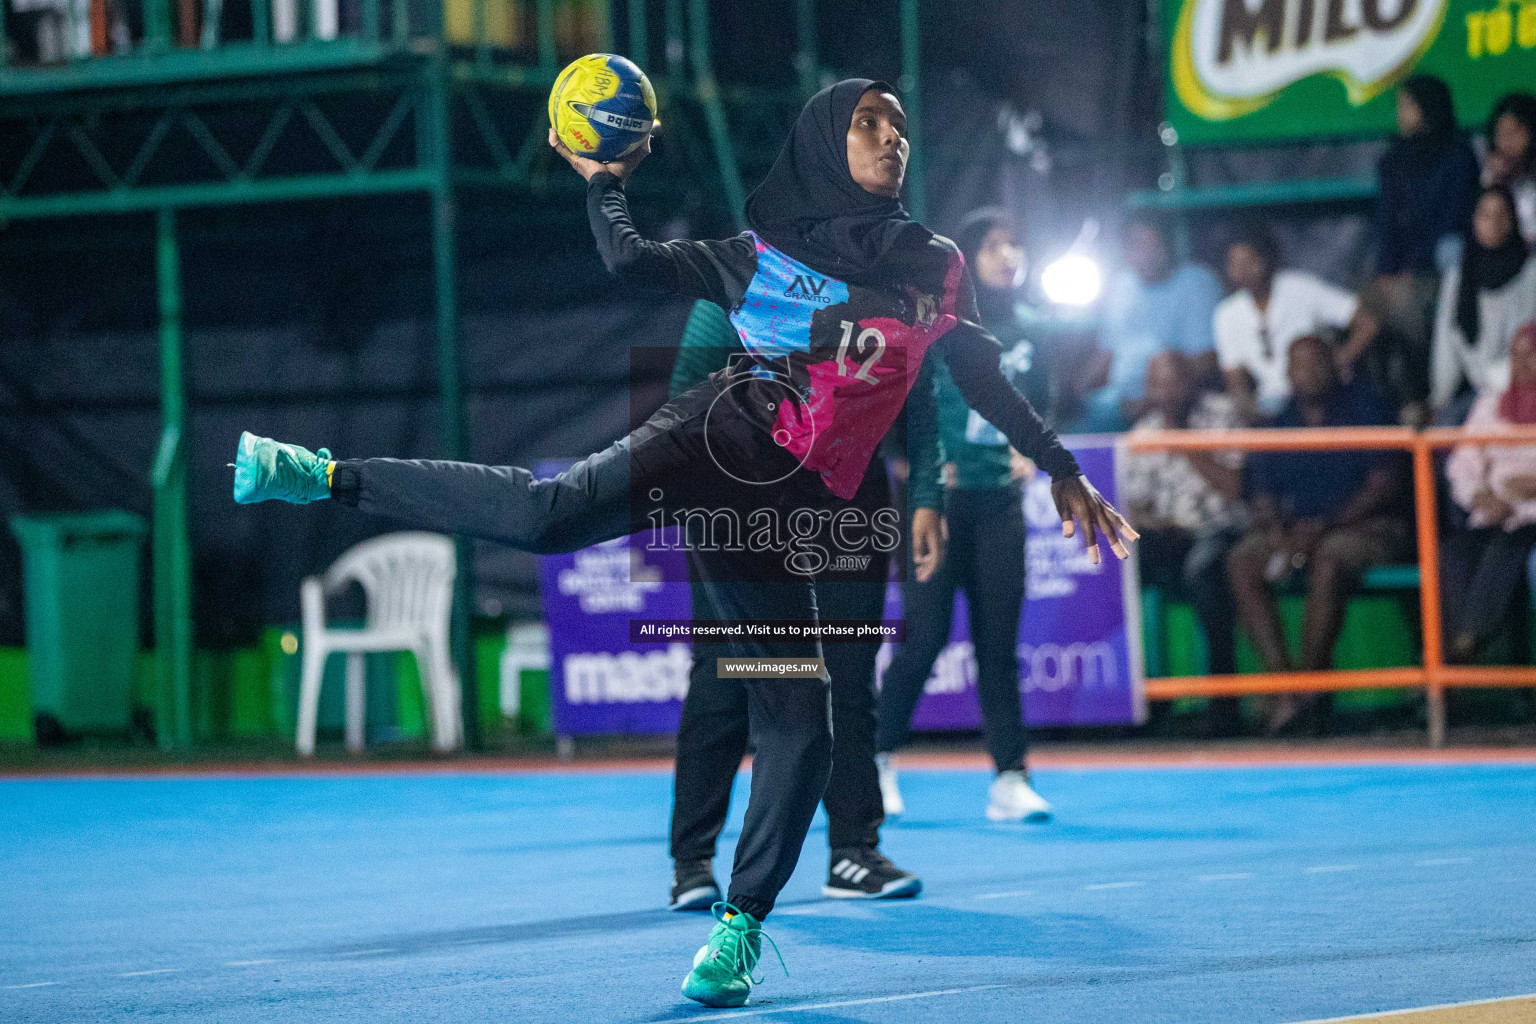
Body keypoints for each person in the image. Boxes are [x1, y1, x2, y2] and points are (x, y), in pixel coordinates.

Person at [231, 79, 1135, 1009]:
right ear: (825, 142)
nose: (889, 138)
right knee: (549, 521)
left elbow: (975, 364)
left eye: (900, 126)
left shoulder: (935, 265)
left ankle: (738, 930)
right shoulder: (760, 255)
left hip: (786, 514)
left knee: (800, 722)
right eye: (868, 123)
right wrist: (603, 177)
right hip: (715, 440)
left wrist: (1057, 462)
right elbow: (628, 264)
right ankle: (324, 473)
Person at [666, 298, 925, 910]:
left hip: (848, 501)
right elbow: (683, 401)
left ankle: (853, 851)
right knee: (729, 676)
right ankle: (692, 860)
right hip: (738, 500)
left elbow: (919, 401)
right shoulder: (734, 284)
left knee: (849, 672)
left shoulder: (879, 290)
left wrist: (929, 494)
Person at [873, 207, 1050, 824]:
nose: (1010, 256)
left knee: (998, 644)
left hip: (1000, 502)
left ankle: (1010, 777)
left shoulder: (1031, 328)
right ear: (966, 258)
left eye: (1017, 244)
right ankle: (877, 760)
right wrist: (915, 469)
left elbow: (1038, 406)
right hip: (935, 506)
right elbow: (889, 403)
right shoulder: (928, 327)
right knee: (923, 638)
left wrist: (1032, 454)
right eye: (997, 246)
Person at [1226, 336, 1408, 735]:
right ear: (1289, 374)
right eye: (1299, 366)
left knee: (1329, 562)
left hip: (1363, 527)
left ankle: (1310, 691)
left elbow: (1384, 484)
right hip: (1295, 531)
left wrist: (1326, 525)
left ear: (1335, 366)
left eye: (1316, 363)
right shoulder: (1281, 421)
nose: (1308, 373)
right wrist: (1278, 531)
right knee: (1242, 560)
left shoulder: (1368, 406)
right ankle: (1284, 688)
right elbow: (1263, 492)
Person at [1122, 351, 1245, 731]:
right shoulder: (1143, 433)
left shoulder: (1223, 415)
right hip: (1168, 534)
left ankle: (1223, 705)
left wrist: (1185, 443)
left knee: (1203, 571)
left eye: (1174, 380)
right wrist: (1154, 523)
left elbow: (1236, 488)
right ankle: (1143, 705)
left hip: (1221, 528)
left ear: (1191, 380)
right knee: (1116, 566)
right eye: (1157, 383)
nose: (1166, 391)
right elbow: (1136, 505)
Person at [1368, 75, 1481, 380]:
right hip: (1404, 268)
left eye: (1408, 106)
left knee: (1420, 289)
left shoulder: (1458, 155)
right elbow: (1388, 226)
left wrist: (1412, 269)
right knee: (1370, 307)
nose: (1401, 114)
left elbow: (1453, 220)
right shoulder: (1392, 162)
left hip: (1443, 263)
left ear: (1429, 109)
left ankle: (1430, 388)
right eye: (1400, 106)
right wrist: (1387, 273)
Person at [1067, 213, 1222, 433]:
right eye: (1135, 247)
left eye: (1152, 246)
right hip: (1118, 400)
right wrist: (1074, 392)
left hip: (1174, 401)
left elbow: (1206, 360)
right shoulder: (1121, 285)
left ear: (1169, 246)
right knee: (1066, 435)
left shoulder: (1196, 283)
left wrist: (1155, 400)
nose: (1145, 255)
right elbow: (1107, 353)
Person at [1214, 223, 1380, 422]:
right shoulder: (1226, 314)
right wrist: (1253, 419)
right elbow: (1235, 381)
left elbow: (1367, 323)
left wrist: (1337, 362)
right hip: (1270, 407)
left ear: (1268, 259)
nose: (1243, 272)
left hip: (1322, 398)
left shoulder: (1299, 288)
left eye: (1250, 262)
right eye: (1235, 264)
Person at [1443, 322, 1536, 663]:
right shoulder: (1492, 405)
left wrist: (1528, 490)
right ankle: (1450, 652)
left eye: (1532, 356)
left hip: (1529, 517)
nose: (1522, 365)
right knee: (1453, 553)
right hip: (1492, 512)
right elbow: (1463, 463)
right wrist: (1481, 496)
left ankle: (1462, 650)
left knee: (1507, 551)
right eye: (1516, 356)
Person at [1431, 186, 1536, 411]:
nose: (1493, 223)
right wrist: (1440, 399)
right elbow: (1446, 346)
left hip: (1520, 391)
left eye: (1502, 214)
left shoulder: (1530, 273)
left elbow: (1525, 342)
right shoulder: (1458, 278)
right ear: (1474, 220)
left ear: (1513, 220)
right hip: (1470, 393)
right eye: (1485, 215)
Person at [1481, 92, 1536, 244]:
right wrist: (1497, 180)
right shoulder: (1486, 170)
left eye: (1515, 132)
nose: (1506, 140)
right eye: (1501, 132)